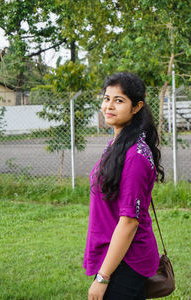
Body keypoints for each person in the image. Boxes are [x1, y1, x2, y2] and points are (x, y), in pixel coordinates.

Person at [83, 72, 164, 300]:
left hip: (127, 261)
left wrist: (103, 278)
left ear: (136, 107)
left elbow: (129, 222)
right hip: (113, 254)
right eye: (106, 98)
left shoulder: (135, 155)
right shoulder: (116, 144)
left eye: (119, 100)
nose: (109, 106)